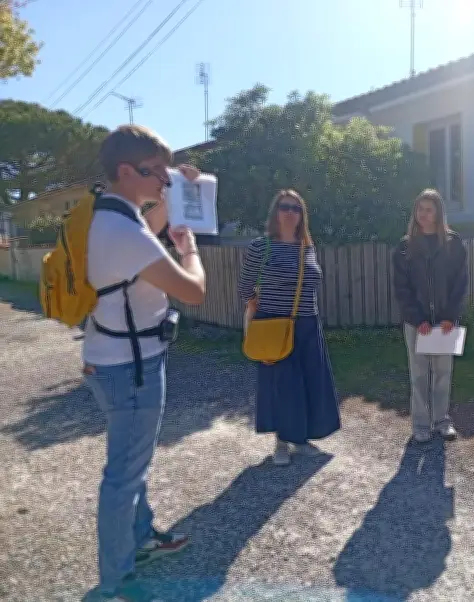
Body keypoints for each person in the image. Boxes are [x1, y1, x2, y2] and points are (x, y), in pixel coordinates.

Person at [82, 125, 207, 602]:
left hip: (108, 359)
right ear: (126, 171)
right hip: (130, 368)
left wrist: (182, 196)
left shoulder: (110, 216)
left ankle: (141, 539)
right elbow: (193, 290)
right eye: (157, 173)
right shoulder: (120, 229)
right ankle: (115, 583)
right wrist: (191, 250)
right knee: (123, 475)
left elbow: (149, 237)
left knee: (133, 459)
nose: (163, 182)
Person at [237, 189, 341, 466]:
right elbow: (245, 286)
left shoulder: (307, 247)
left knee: (308, 383)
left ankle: (301, 439)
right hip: (275, 323)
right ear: (275, 211)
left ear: (302, 215)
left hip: (308, 323)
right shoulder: (261, 246)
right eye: (285, 207)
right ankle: (282, 442)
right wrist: (257, 306)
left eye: (296, 208)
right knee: (282, 385)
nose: (290, 213)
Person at [392, 189, 469, 443]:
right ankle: (421, 424)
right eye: (420, 209)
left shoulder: (453, 243)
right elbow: (402, 288)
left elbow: (460, 282)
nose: (424, 214)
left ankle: (442, 420)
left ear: (438, 212)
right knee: (419, 374)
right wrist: (418, 318)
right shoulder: (405, 246)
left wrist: (450, 315)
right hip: (418, 324)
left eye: (429, 209)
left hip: (445, 323)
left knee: (443, 372)